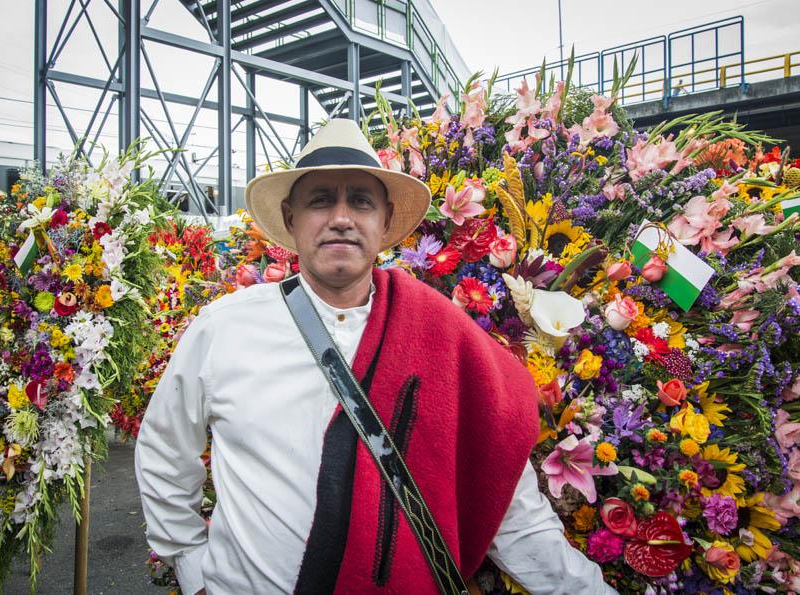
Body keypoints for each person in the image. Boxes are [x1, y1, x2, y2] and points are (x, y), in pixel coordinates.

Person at [135, 119, 617, 595]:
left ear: (384, 221)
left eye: (360, 201)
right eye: (320, 199)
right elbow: (165, 448)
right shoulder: (226, 327)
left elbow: (507, 500)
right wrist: (194, 569)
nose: (340, 217)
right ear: (290, 218)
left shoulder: (442, 336)